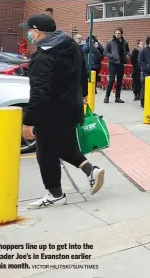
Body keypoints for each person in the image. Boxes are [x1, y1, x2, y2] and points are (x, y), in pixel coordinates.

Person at [19, 14, 105, 209]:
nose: (29, 34)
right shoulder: (71, 46)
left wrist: (29, 120)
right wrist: (83, 94)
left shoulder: (43, 57)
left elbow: (39, 92)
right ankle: (90, 170)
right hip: (71, 107)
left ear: (38, 32)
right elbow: (83, 71)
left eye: (29, 31)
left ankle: (55, 193)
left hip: (51, 112)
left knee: (45, 153)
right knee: (61, 146)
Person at [104, 27, 130, 104]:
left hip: (121, 63)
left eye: (119, 33)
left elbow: (127, 51)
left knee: (119, 81)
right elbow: (105, 52)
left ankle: (117, 98)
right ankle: (107, 97)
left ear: (121, 34)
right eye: (116, 33)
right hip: (112, 62)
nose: (117, 35)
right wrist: (111, 56)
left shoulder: (125, 42)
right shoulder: (110, 42)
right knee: (111, 80)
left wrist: (128, 55)